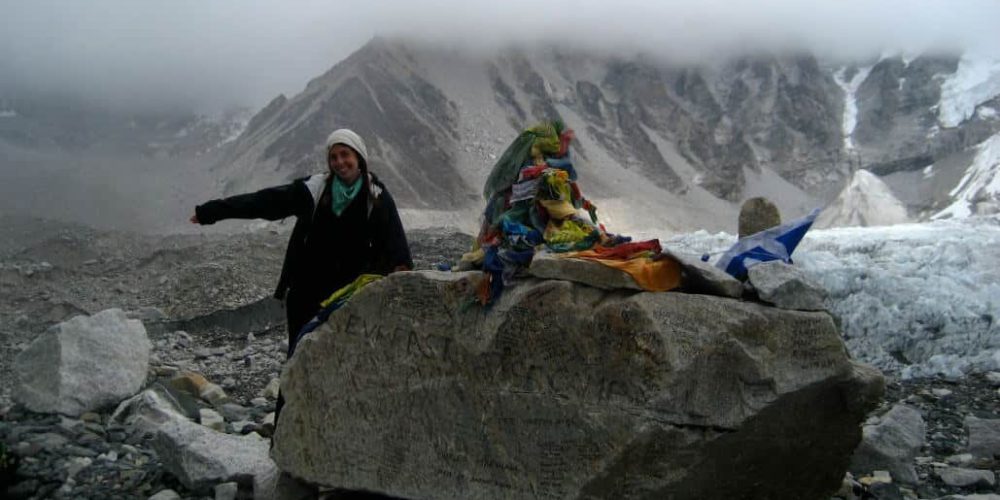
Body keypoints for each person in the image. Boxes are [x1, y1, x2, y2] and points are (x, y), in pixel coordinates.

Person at [191, 127, 413, 359]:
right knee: (299, 360)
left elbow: (396, 244)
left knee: (340, 364)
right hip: (306, 294)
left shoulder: (376, 197)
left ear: (359, 157)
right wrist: (211, 212)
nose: (340, 162)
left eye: (345, 154)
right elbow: (264, 202)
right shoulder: (314, 189)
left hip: (348, 298)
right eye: (333, 157)